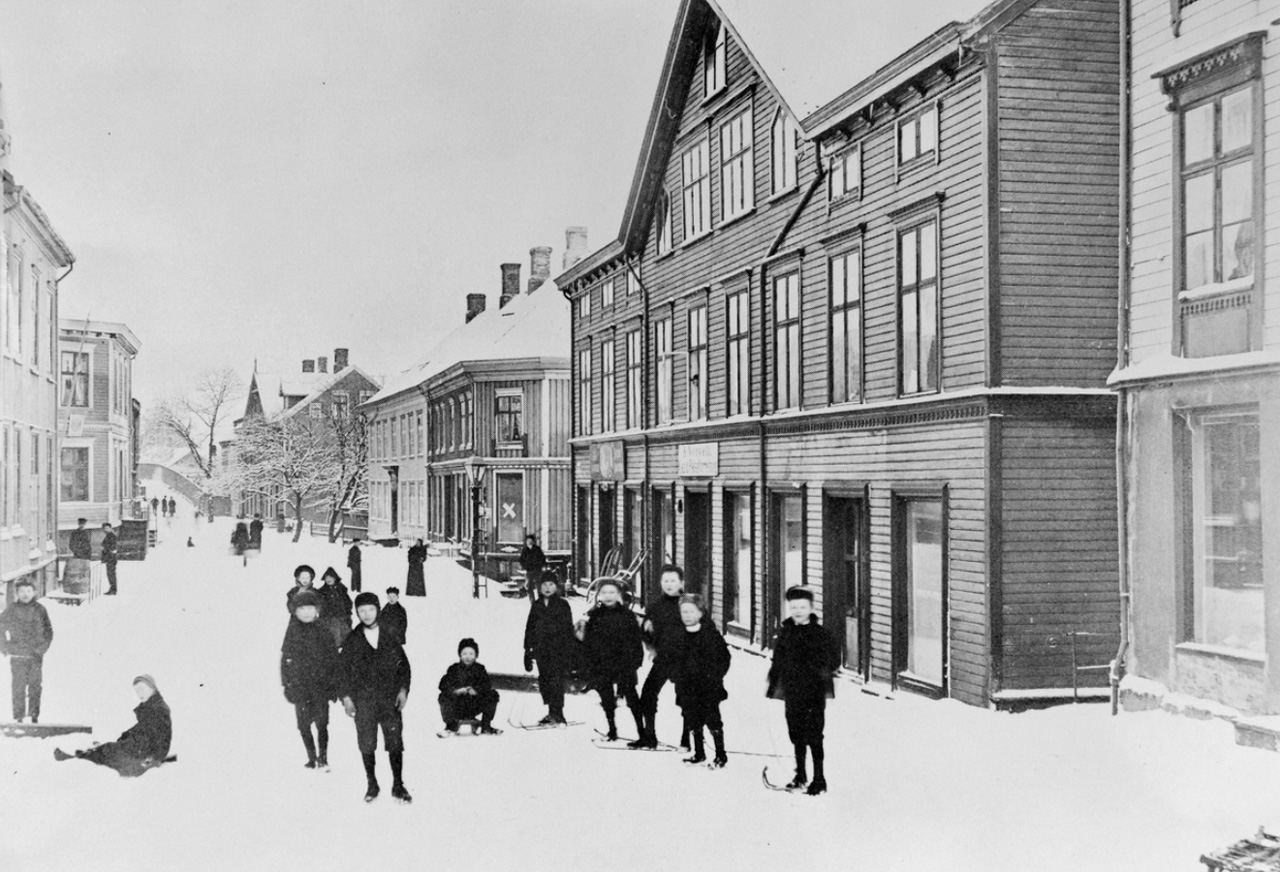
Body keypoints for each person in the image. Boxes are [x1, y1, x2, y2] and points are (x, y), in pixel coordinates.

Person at [339, 592, 412, 804]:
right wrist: (346, 697)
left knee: (395, 741)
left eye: (371, 609)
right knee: (367, 743)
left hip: (389, 698)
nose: (367, 614)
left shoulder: (390, 635)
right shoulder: (352, 639)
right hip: (364, 700)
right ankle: (372, 784)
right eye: (362, 610)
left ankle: (398, 785)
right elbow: (342, 671)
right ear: (357, 613)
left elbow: (404, 666)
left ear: (377, 609)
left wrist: (403, 690)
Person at [766, 586, 838, 796]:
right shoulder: (785, 632)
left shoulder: (821, 633)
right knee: (795, 733)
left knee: (814, 734)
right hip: (792, 690)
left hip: (814, 691)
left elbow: (833, 658)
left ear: (811, 608)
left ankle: (819, 778)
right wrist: (773, 684)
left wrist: (818, 670)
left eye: (802, 607)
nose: (798, 611)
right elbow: (777, 660)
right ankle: (801, 774)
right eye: (794, 607)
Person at [54, 676, 172, 777]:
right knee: (109, 750)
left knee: (109, 752)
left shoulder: (159, 709)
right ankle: (85, 754)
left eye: (142, 689)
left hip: (144, 756)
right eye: (137, 691)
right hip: (140, 750)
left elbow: (161, 739)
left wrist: (152, 760)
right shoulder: (152, 707)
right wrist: (127, 735)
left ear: (152, 688)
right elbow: (143, 728)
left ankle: (78, 757)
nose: (139, 694)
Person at [577, 578, 643, 741]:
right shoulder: (594, 616)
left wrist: (636, 660)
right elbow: (587, 641)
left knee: (631, 696)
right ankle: (612, 729)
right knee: (606, 698)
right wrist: (589, 663)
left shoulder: (627, 615)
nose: (608, 596)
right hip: (602, 663)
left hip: (624, 663)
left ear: (619, 595)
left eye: (612, 592)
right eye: (604, 593)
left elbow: (635, 639)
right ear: (598, 595)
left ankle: (642, 732)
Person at [281, 590, 339, 770]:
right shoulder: (292, 631)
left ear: (317, 610)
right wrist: (288, 685)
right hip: (301, 687)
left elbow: (333, 660)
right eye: (302, 608)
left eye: (310, 608)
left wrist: (334, 684)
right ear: (295, 611)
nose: (306, 612)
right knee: (303, 724)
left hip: (321, 686)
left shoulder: (324, 631)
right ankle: (311, 757)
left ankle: (323, 757)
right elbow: (286, 660)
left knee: (322, 723)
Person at [632, 564, 686, 749]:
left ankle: (687, 739)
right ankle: (650, 736)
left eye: (673, 580)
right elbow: (646, 629)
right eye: (665, 581)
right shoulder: (656, 605)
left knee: (687, 699)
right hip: (663, 658)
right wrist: (650, 645)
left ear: (681, 582)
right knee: (648, 695)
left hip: (685, 660)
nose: (669, 584)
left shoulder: (688, 603)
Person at [672, 594, 730, 767]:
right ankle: (699, 753)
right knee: (692, 718)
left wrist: (715, 675)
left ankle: (721, 754)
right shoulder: (678, 635)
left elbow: (724, 658)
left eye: (691, 611)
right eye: (684, 612)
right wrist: (676, 676)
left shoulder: (710, 634)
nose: (687, 615)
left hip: (708, 687)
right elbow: (671, 658)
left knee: (712, 719)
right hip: (687, 686)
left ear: (700, 613)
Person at [523, 571, 576, 726]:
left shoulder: (562, 605)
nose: (547, 588)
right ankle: (551, 712)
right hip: (541, 651)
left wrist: (569, 651)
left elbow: (568, 629)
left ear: (556, 587)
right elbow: (530, 628)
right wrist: (527, 650)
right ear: (539, 587)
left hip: (558, 650)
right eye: (544, 584)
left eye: (551, 584)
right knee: (544, 680)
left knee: (557, 681)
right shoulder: (537, 606)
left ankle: (559, 714)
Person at [0, 578, 53, 723]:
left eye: (28, 591)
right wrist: (4, 646)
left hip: (35, 656)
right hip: (18, 656)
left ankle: (34, 716)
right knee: (18, 687)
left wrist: (42, 648)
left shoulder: (40, 609)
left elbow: (48, 632)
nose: (25, 594)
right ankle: (19, 718)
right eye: (21, 591)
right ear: (16, 593)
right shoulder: (11, 610)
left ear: (34, 592)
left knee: (35, 687)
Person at [437, 638, 501, 735]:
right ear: (460, 655)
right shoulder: (453, 669)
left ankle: (486, 726)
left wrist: (476, 691)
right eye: (465, 653)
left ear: (476, 655)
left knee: (493, 694)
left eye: (471, 654)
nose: (468, 657)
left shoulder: (480, 669)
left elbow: (487, 685)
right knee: (443, 696)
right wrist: (456, 691)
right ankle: (450, 726)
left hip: (474, 704)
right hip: (457, 705)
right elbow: (443, 685)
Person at [315, 567, 353, 645]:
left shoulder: (342, 590)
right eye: (327, 577)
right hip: (328, 619)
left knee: (346, 638)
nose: (329, 579)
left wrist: (347, 614)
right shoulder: (321, 592)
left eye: (331, 577)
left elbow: (348, 602)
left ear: (335, 578)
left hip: (342, 618)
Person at [519, 534, 546, 601]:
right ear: (526, 542)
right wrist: (525, 567)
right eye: (528, 541)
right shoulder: (525, 550)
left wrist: (541, 566)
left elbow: (542, 559)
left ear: (533, 542)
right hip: (529, 571)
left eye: (531, 541)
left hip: (537, 571)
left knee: (539, 586)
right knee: (529, 587)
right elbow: (521, 560)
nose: (529, 542)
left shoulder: (537, 549)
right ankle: (532, 601)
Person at [100, 522, 119, 596]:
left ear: (111, 528)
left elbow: (112, 548)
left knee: (111, 574)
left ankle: (113, 589)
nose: (106, 530)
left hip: (111, 558)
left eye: (107, 528)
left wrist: (104, 548)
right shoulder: (108, 536)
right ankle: (112, 588)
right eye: (104, 528)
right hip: (109, 558)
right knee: (110, 574)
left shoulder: (112, 536)